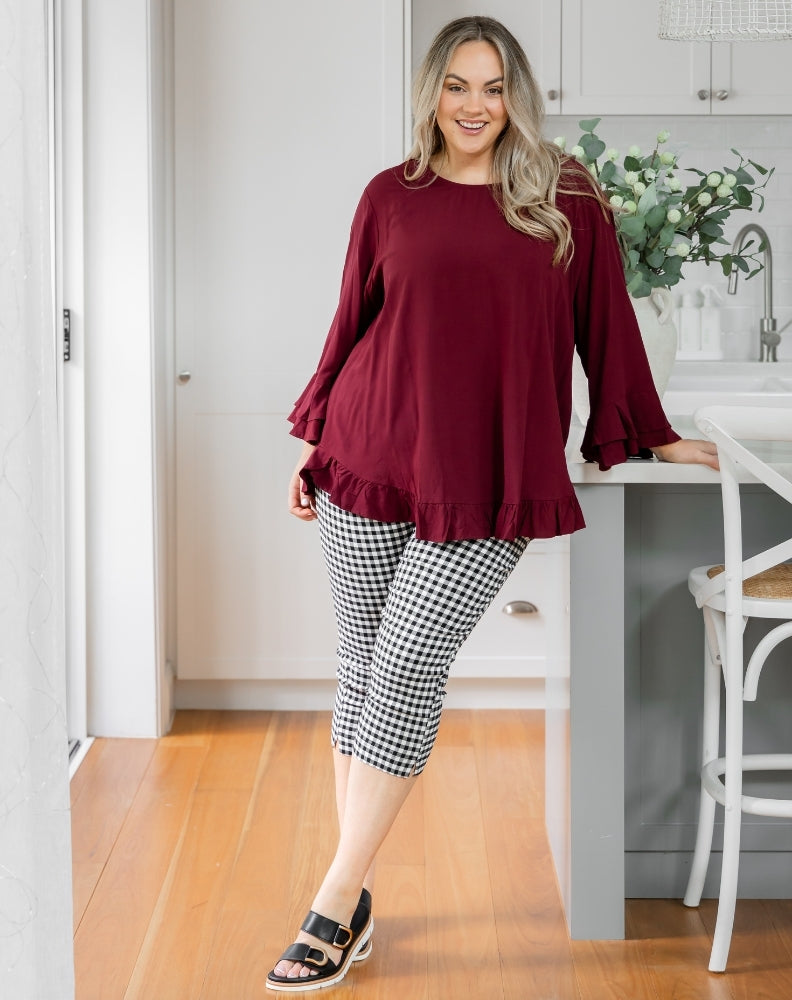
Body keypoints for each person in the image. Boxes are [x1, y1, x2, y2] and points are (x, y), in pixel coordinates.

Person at [267, 15, 718, 992]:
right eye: (457, 86)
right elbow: (352, 319)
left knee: (407, 661)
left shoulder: (564, 196)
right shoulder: (391, 195)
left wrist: (648, 430)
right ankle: (355, 893)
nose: (475, 106)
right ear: (432, 91)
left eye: (494, 86)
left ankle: (334, 898)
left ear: (518, 93)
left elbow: (607, 326)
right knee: (361, 664)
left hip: (491, 471)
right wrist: (313, 435)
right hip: (367, 450)